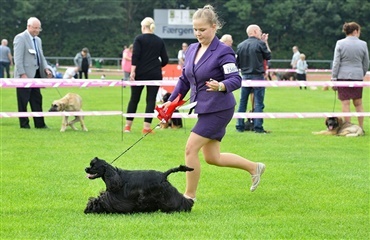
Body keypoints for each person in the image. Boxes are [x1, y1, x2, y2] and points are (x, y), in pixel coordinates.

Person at [162, 5, 266, 200]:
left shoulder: (223, 51)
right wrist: (172, 101)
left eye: (202, 30)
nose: (198, 34)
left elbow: (236, 80)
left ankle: (188, 196)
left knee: (190, 148)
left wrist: (221, 86)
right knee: (213, 158)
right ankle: (254, 167)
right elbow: (185, 79)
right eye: (195, 30)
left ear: (214, 26)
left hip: (219, 108)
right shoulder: (192, 49)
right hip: (204, 108)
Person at [124, 17, 169, 134]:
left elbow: (136, 56)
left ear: (143, 27)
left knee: (134, 99)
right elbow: (165, 59)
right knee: (151, 100)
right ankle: (146, 127)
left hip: (139, 73)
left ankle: (128, 126)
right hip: (154, 73)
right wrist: (157, 65)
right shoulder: (159, 41)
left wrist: (133, 71)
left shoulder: (139, 39)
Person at [13, 17, 52, 129]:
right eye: (35, 28)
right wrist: (22, 74)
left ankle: (40, 124)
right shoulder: (20, 38)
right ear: (28, 26)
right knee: (23, 101)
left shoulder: (38, 40)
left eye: (38, 28)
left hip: (36, 75)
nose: (36, 30)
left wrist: (46, 69)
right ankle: (24, 124)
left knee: (37, 99)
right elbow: (18, 59)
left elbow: (41, 57)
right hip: (24, 76)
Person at [331, 22, 369, 130]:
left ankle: (348, 128)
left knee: (345, 103)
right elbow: (366, 63)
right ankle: (360, 127)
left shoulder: (340, 43)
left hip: (343, 76)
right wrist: (361, 73)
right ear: (355, 31)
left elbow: (336, 62)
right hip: (357, 76)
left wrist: (334, 77)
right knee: (358, 103)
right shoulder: (363, 44)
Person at [235, 24, 271, 133]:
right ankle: (258, 127)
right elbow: (268, 56)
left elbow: (237, 63)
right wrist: (265, 42)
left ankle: (239, 126)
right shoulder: (260, 44)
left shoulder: (240, 45)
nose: (261, 33)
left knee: (242, 102)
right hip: (258, 76)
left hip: (245, 76)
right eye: (260, 31)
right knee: (258, 103)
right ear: (255, 32)